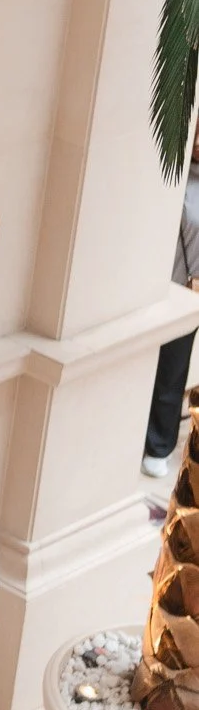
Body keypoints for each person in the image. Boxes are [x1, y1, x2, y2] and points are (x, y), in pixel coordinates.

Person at [143, 127, 199, 476]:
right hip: (157, 281)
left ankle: (158, 445)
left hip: (190, 292)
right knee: (144, 358)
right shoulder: (173, 171)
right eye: (196, 133)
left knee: (172, 370)